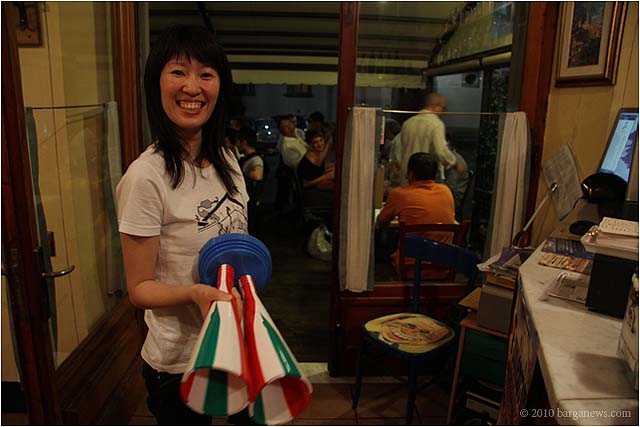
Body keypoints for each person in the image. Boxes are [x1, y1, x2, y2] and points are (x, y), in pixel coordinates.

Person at [115, 25, 246, 425]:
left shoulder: (227, 159)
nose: (192, 87)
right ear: (156, 82)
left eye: (206, 74)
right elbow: (139, 289)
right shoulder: (146, 177)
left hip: (235, 344)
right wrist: (195, 293)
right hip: (180, 362)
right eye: (178, 72)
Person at [376, 152, 455, 276]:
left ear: (411, 174)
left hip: (411, 269)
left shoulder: (400, 194)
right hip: (443, 267)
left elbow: (381, 221)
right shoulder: (446, 191)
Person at [395, 93, 459, 186]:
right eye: (442, 108)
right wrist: (454, 162)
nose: (442, 112)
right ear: (435, 106)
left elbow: (399, 151)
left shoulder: (408, 123)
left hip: (407, 176)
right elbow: (441, 152)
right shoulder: (436, 124)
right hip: (426, 178)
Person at [236, 126, 264, 235]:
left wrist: (241, 172)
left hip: (252, 201)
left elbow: (258, 176)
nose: (237, 144)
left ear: (244, 142)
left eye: (238, 142)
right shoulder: (247, 158)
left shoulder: (255, 159)